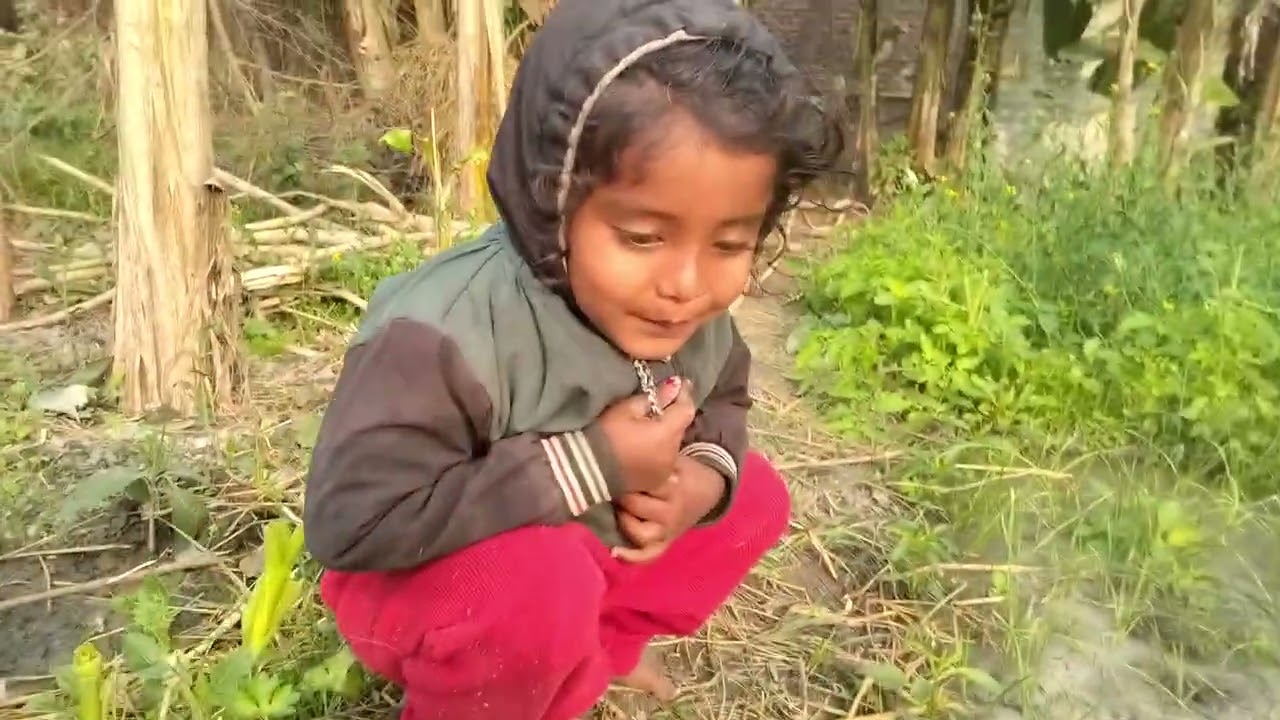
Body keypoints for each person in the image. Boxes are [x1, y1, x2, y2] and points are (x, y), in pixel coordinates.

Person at [301, 1, 840, 718]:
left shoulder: (693, 318)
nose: (684, 285)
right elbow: (352, 524)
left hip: (574, 562)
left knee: (755, 498)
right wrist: (589, 464)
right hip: (423, 583)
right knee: (539, 584)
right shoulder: (446, 335)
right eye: (643, 237)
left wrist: (699, 481)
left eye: (729, 244)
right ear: (553, 200)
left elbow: (725, 401)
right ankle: (499, 684)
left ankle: (595, 652)